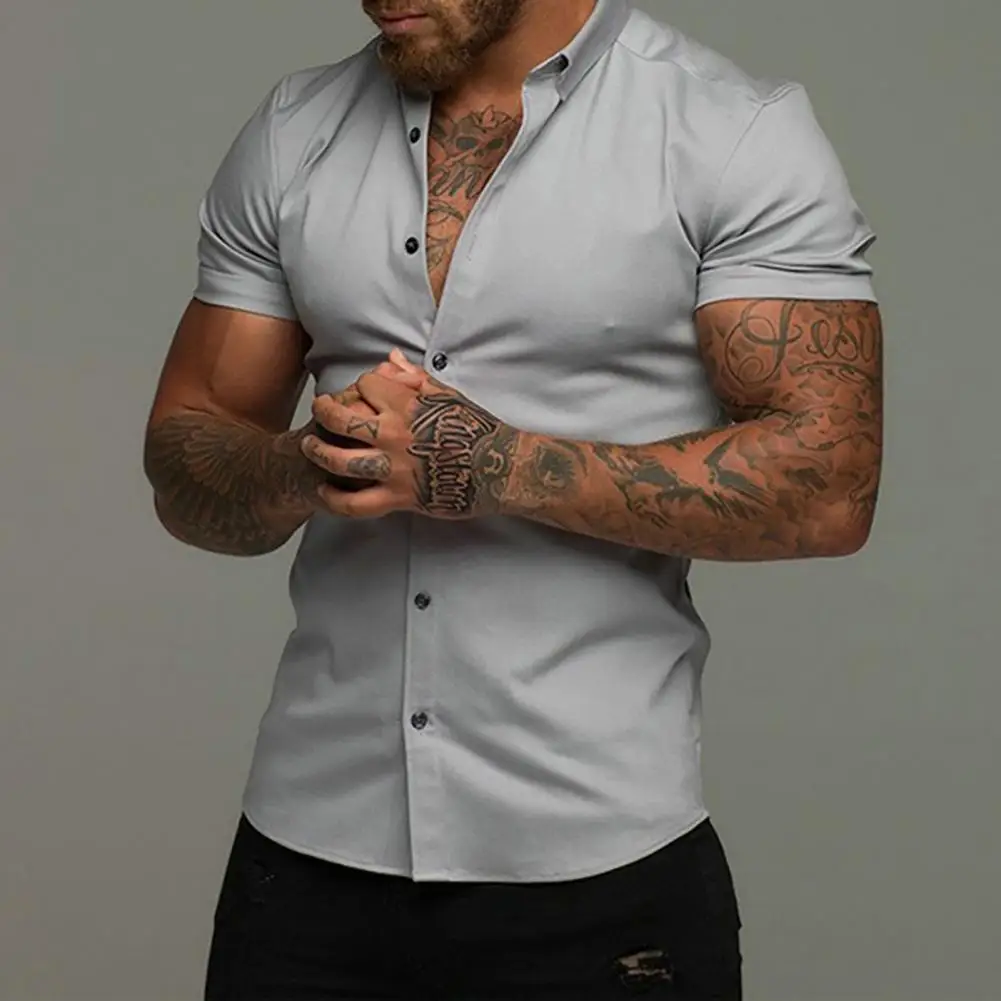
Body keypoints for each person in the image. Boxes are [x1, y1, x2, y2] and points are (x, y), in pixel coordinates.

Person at [143, 0, 883, 997]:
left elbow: (829, 486)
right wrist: (316, 461)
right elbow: (184, 464)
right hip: (303, 859)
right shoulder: (294, 131)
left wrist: (496, 466)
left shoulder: (727, 131)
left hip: (597, 869)